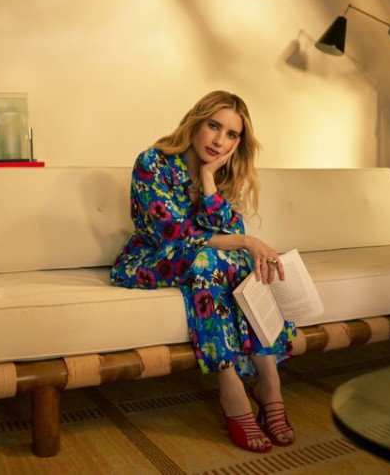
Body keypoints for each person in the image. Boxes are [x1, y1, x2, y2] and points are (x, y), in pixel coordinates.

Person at [110, 91, 296, 452]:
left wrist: (209, 179)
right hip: (150, 260)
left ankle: (269, 381)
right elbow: (171, 234)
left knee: (239, 261)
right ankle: (232, 390)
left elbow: (230, 231)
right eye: (213, 126)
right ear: (196, 121)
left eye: (231, 134)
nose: (219, 140)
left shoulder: (223, 173)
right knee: (214, 259)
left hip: (200, 261)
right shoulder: (153, 162)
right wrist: (246, 241)